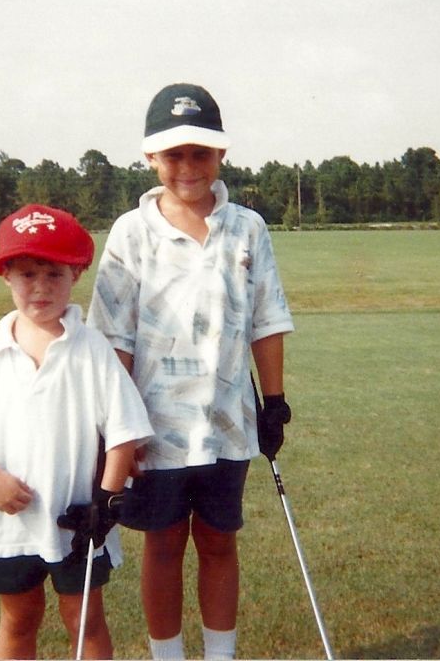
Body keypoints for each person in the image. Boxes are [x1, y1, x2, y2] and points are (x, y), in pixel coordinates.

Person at [87, 83, 295, 660]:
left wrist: (273, 403)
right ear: (151, 157)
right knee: (162, 547)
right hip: (154, 430)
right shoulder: (131, 233)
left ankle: (220, 656)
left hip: (228, 423)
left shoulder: (248, 228)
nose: (188, 167)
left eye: (201, 153)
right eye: (174, 154)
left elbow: (266, 319)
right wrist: (115, 429)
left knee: (219, 543)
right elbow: (115, 340)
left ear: (221, 155)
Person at [0, 204, 154, 660]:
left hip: (78, 520)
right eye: (26, 274)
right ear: (5, 275)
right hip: (10, 519)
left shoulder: (93, 350)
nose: (40, 287)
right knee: (19, 620)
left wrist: (105, 501)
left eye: (53, 274)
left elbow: (123, 434)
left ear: (76, 275)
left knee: (84, 620)